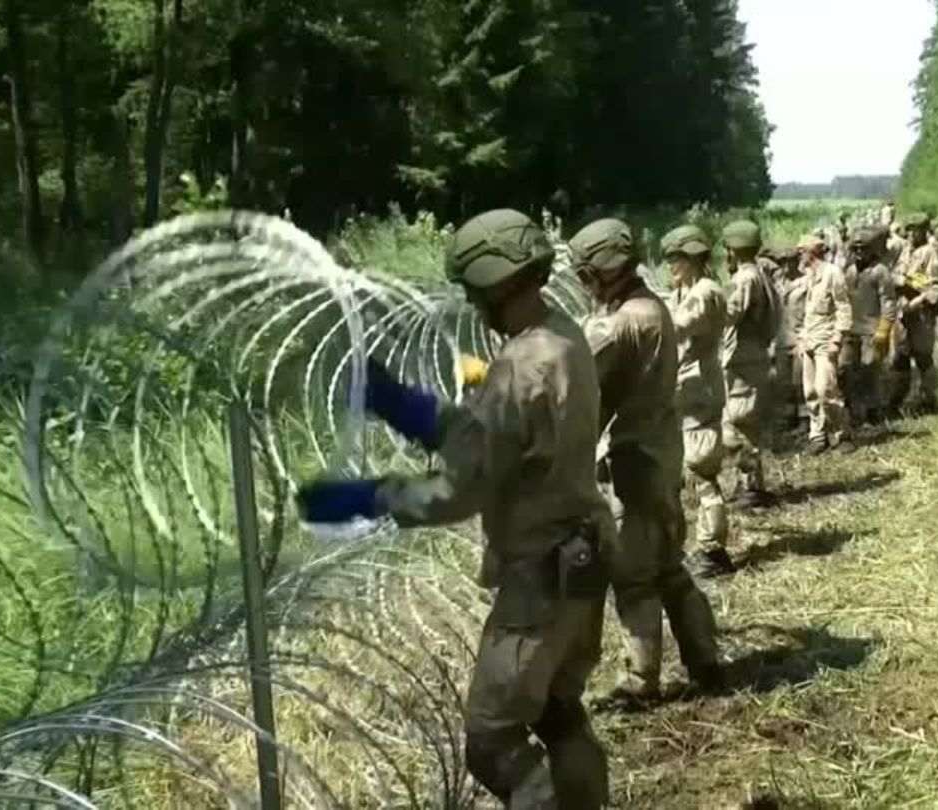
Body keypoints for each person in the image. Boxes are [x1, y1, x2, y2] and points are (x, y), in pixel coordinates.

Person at [295, 209, 610, 808]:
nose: (471, 303)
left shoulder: (521, 366)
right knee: (558, 711)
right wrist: (414, 412)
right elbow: (501, 441)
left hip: (538, 580)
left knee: (493, 740)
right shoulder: (563, 335)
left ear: (493, 281)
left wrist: (377, 496)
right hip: (583, 561)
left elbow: (464, 489)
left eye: (472, 290)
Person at [569, 218, 724, 703]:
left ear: (602, 271)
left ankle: (640, 683)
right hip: (661, 456)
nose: (582, 284)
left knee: (633, 580)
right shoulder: (654, 306)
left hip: (629, 465)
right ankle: (706, 661)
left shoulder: (622, 324)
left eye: (585, 273)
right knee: (670, 570)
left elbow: (571, 379)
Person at [659, 223, 734, 578]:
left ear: (691, 259)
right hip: (684, 392)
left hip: (699, 392)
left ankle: (713, 552)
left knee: (701, 472)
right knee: (683, 473)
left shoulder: (704, 292)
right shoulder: (684, 291)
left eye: (674, 259)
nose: (669, 267)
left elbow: (676, 327)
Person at [719, 219, 780, 508]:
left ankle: (750, 487)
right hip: (751, 356)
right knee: (746, 425)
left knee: (735, 423)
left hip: (744, 359)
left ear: (733, 249)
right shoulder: (759, 274)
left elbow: (729, 314)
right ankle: (752, 484)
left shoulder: (745, 279)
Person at [797, 232, 854, 455]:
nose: (798, 255)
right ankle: (817, 436)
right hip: (809, 340)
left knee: (826, 390)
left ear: (812, 252)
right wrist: (802, 337)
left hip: (826, 340)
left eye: (801, 250)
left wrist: (838, 338)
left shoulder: (833, 273)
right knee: (810, 391)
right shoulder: (807, 275)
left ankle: (842, 433)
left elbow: (843, 307)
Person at [841, 224, 898, 427]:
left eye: (863, 248)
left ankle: (873, 414)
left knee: (870, 372)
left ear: (872, 249)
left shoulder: (880, 272)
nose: (858, 253)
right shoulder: (849, 270)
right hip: (850, 330)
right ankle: (852, 411)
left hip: (871, 331)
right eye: (855, 249)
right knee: (845, 370)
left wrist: (883, 330)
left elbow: (889, 303)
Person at [891, 212, 938, 413]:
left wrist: (917, 299)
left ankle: (931, 401)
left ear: (924, 231)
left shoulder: (930, 253)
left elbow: (934, 288)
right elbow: (895, 273)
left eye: (916, 230)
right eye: (909, 230)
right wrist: (900, 281)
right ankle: (896, 400)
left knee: (923, 358)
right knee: (900, 357)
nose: (911, 234)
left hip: (921, 314)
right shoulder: (906, 251)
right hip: (902, 313)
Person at [765, 243, 807, 436]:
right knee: (784, 383)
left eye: (789, 262)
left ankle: (805, 420)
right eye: (782, 263)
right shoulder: (777, 284)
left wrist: (806, 337)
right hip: (782, 338)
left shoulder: (806, 282)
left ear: (797, 262)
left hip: (800, 337)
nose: (786, 267)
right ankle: (789, 419)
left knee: (800, 382)